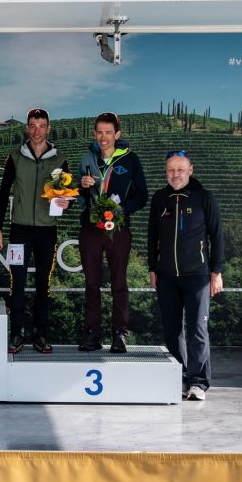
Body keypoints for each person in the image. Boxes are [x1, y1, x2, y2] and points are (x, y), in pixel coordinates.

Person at [0, 108, 71, 354]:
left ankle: (40, 333)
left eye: (42, 126)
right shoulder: (15, 157)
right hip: (20, 230)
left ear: (48, 128)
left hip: (47, 230)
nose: (37, 131)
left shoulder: (60, 159)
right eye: (33, 126)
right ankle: (17, 332)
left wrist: (66, 203)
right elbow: (3, 193)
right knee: (17, 282)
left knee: (42, 283)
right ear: (27, 128)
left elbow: (64, 196)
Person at [148, 151, 224, 401]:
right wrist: (152, 267)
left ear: (190, 170)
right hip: (166, 276)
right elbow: (152, 236)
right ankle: (178, 378)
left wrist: (216, 272)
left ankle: (198, 382)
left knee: (197, 329)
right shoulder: (160, 199)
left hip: (197, 275)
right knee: (172, 330)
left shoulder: (204, 198)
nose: (175, 174)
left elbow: (217, 236)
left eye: (180, 169)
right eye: (171, 170)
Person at [77, 112, 148, 353]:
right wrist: (82, 186)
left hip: (118, 227)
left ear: (117, 134)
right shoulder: (87, 158)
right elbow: (77, 196)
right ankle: (92, 333)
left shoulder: (130, 160)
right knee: (91, 283)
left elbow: (142, 195)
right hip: (91, 228)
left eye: (108, 132)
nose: (103, 137)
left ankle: (119, 333)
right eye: (99, 132)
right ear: (94, 134)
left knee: (119, 282)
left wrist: (121, 209)